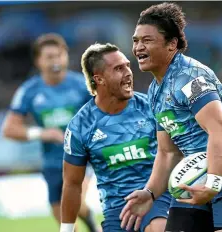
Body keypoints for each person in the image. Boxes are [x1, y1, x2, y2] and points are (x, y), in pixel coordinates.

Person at [120, 2, 222, 232]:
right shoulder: (155, 90)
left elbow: (220, 131)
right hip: (195, 175)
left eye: (147, 40)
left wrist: (214, 182)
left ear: (172, 44)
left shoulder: (191, 78)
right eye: (136, 41)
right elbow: (168, 152)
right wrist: (150, 193)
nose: (138, 47)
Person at [60, 42, 171, 232]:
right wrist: (66, 229)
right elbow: (72, 184)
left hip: (157, 197)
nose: (128, 72)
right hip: (117, 210)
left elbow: (175, 152)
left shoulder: (153, 108)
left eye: (128, 65)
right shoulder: (80, 126)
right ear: (99, 79)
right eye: (119, 68)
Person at [2, 33, 98, 232]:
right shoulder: (29, 90)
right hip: (53, 162)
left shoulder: (82, 85)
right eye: (49, 57)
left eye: (59, 55)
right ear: (38, 61)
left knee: (74, 200)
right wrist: (43, 134)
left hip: (82, 156)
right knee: (63, 219)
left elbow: (103, 115)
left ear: (66, 56)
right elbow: (9, 129)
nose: (55, 61)